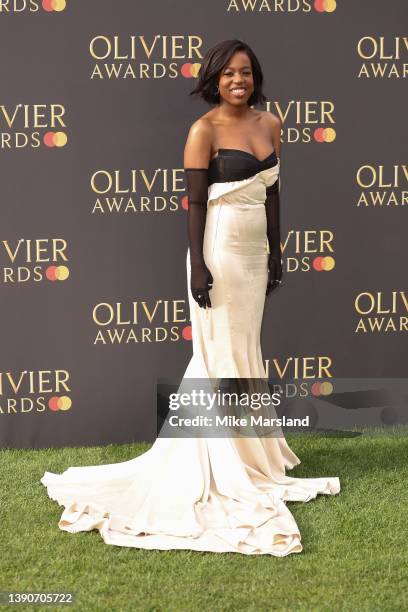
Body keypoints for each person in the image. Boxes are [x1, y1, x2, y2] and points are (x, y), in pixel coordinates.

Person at [41, 39, 340, 556]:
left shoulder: (271, 125)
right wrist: (198, 265)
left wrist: (276, 251)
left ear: (256, 77)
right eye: (228, 74)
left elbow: (273, 192)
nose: (238, 81)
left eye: (246, 72)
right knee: (219, 356)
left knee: (244, 351)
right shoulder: (203, 131)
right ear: (214, 80)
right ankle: (223, 466)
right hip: (219, 251)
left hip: (253, 253)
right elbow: (196, 204)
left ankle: (249, 459)